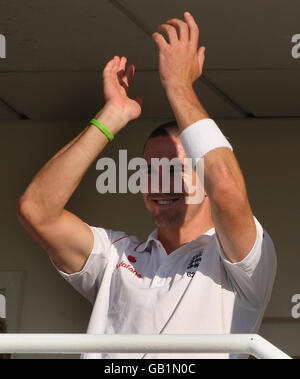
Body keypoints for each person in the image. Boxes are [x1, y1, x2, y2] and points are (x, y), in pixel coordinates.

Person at [17, 12, 277, 359]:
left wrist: (180, 87)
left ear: (205, 177)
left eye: (175, 168)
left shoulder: (236, 260)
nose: (160, 182)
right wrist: (113, 115)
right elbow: (37, 212)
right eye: (149, 171)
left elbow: (227, 189)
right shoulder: (116, 255)